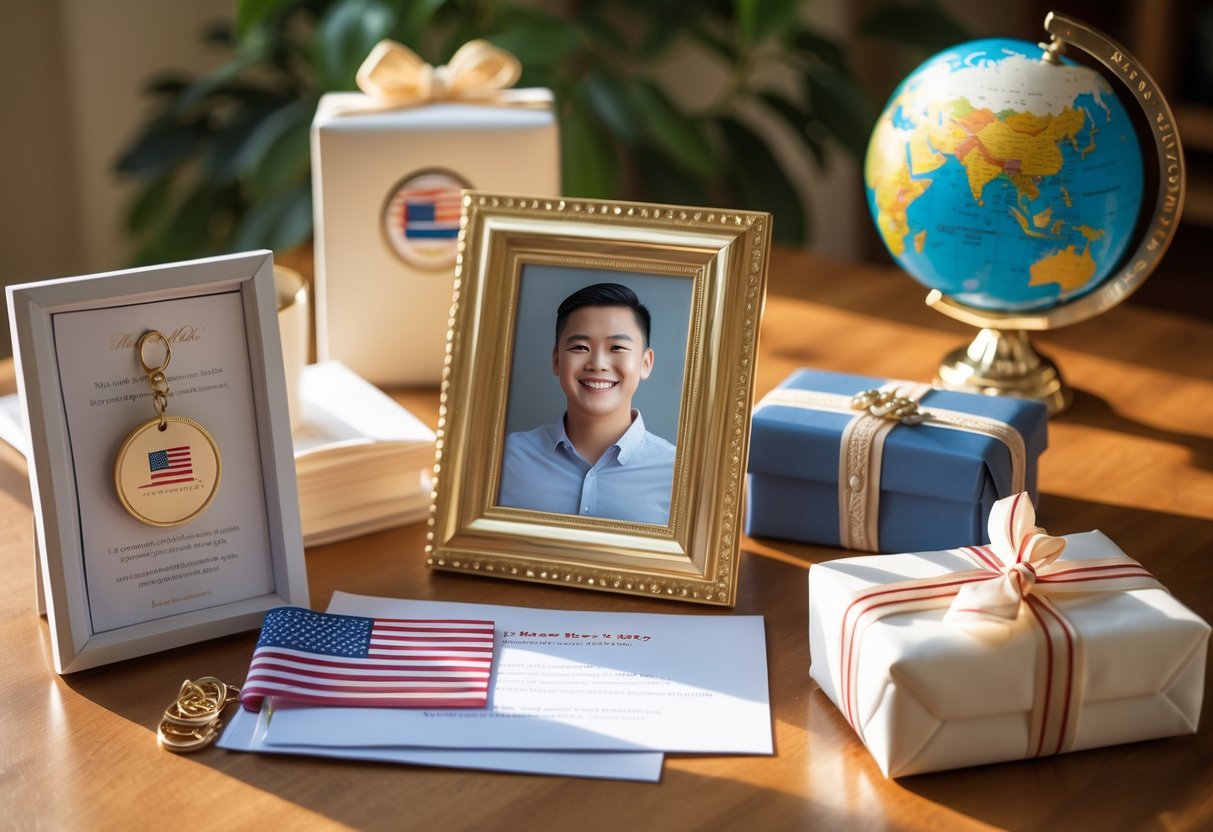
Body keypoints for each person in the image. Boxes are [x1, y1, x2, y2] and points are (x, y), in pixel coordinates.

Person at [498, 282, 676, 525]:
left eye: (617, 347)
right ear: (557, 360)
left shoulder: (677, 475)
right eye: (580, 347)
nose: (598, 363)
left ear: (646, 363)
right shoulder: (508, 457)